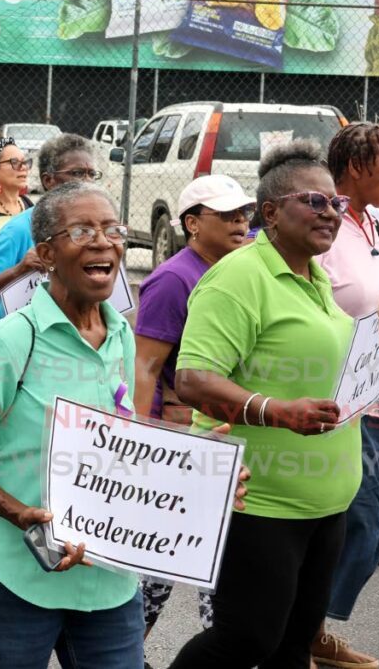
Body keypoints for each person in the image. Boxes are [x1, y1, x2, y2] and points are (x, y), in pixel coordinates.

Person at [0, 182, 220, 667]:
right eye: (82, 231)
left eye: (112, 229)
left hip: (108, 581)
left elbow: (123, 445)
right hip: (12, 576)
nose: (103, 242)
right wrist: (20, 512)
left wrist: (200, 474)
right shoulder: (9, 341)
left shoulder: (122, 334)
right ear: (45, 254)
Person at [169, 140, 362, 667]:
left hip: (326, 502)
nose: (331, 213)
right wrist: (276, 411)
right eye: (314, 202)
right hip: (261, 500)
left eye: (337, 203)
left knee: (294, 645)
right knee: (246, 637)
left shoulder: (313, 275)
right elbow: (193, 379)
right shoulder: (238, 278)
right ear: (270, 212)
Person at [132, 175, 255, 650]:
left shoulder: (240, 269)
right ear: (191, 223)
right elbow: (146, 367)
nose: (240, 221)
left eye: (243, 212)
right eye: (225, 215)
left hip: (223, 441)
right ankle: (120, 655)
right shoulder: (173, 278)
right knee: (158, 572)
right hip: (181, 443)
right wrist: (143, 441)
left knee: (214, 567)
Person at [306, 123, 379, 669]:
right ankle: (302, 633)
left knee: (369, 531)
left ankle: (308, 632)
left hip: (377, 397)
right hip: (339, 401)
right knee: (361, 524)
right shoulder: (322, 228)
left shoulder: (374, 222)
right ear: (356, 167)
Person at [0, 133, 100, 323]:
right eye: (77, 173)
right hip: (19, 348)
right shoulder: (20, 230)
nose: (87, 182)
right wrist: (19, 270)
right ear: (48, 180)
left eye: (91, 174)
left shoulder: (99, 232)